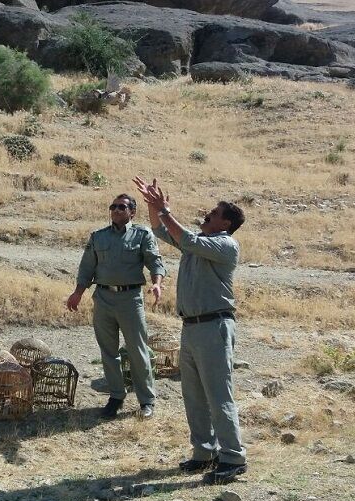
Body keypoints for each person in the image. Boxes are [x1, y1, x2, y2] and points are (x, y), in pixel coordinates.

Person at [133, 175, 247, 484]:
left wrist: (165, 209)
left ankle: (233, 458)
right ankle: (204, 453)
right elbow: (160, 230)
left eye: (215, 212)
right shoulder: (199, 244)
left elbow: (186, 239)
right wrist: (154, 207)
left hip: (214, 327)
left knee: (218, 394)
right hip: (193, 328)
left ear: (225, 223)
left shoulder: (225, 245)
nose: (208, 214)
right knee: (194, 394)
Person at [66, 194, 165, 420]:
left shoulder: (142, 235)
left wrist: (157, 284)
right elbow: (87, 267)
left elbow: (155, 261)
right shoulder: (99, 237)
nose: (117, 210)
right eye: (113, 206)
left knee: (137, 351)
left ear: (132, 212)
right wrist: (77, 293)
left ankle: (146, 401)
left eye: (122, 207)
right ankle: (116, 397)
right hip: (103, 298)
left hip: (130, 299)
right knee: (108, 352)